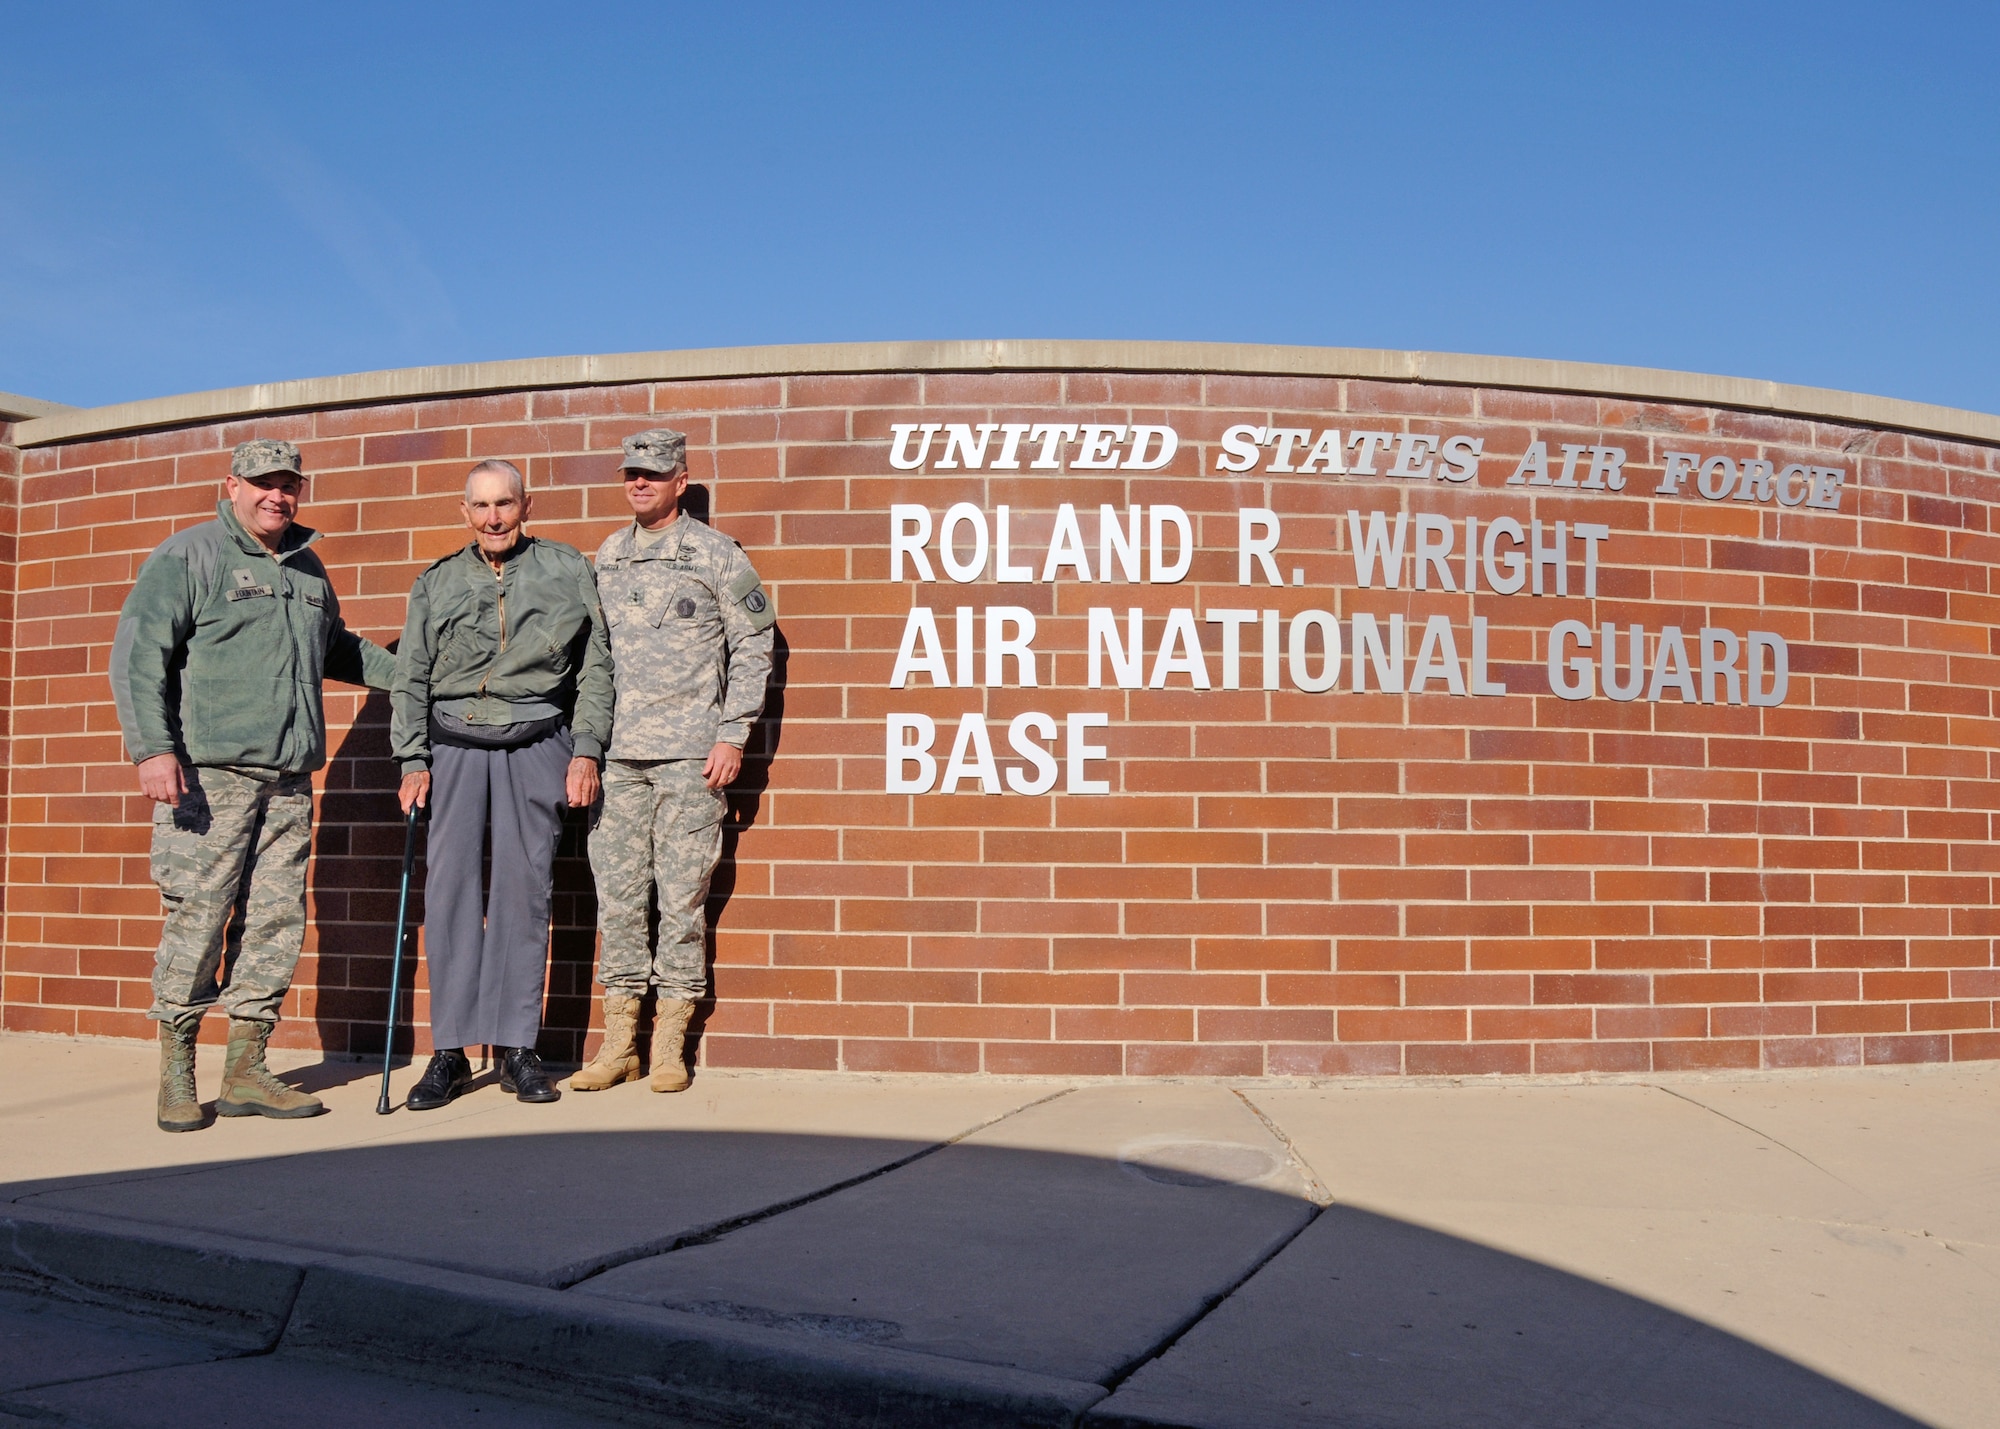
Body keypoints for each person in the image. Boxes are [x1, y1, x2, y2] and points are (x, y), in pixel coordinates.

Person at [111, 438, 397, 1132]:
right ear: (232, 484)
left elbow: (337, 648)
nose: (278, 495)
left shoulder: (306, 568)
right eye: (263, 482)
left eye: (289, 483)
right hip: (208, 780)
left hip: (288, 782)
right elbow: (137, 654)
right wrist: (153, 749)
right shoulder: (191, 555)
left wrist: (415, 675)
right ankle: (177, 1069)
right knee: (199, 919)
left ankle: (246, 1068)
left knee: (274, 925)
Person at [390, 459, 613, 1110]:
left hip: (538, 740)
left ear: (527, 506)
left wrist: (587, 748)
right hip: (454, 746)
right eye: (481, 506)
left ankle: (519, 1048)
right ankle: (452, 1052)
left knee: (525, 892)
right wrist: (411, 760)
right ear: (464, 513)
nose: (493, 517)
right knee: (453, 892)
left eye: (505, 503)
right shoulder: (435, 582)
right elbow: (411, 676)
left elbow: (597, 665)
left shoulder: (567, 569)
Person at [571, 429, 775, 1094]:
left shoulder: (715, 554)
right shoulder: (608, 555)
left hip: (691, 757)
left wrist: (733, 733)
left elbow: (756, 644)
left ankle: (669, 1044)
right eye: (632, 472)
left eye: (654, 474)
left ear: (680, 480)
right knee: (620, 901)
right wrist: (588, 746)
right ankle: (618, 1042)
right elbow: (592, 659)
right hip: (620, 758)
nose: (640, 483)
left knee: (682, 901)